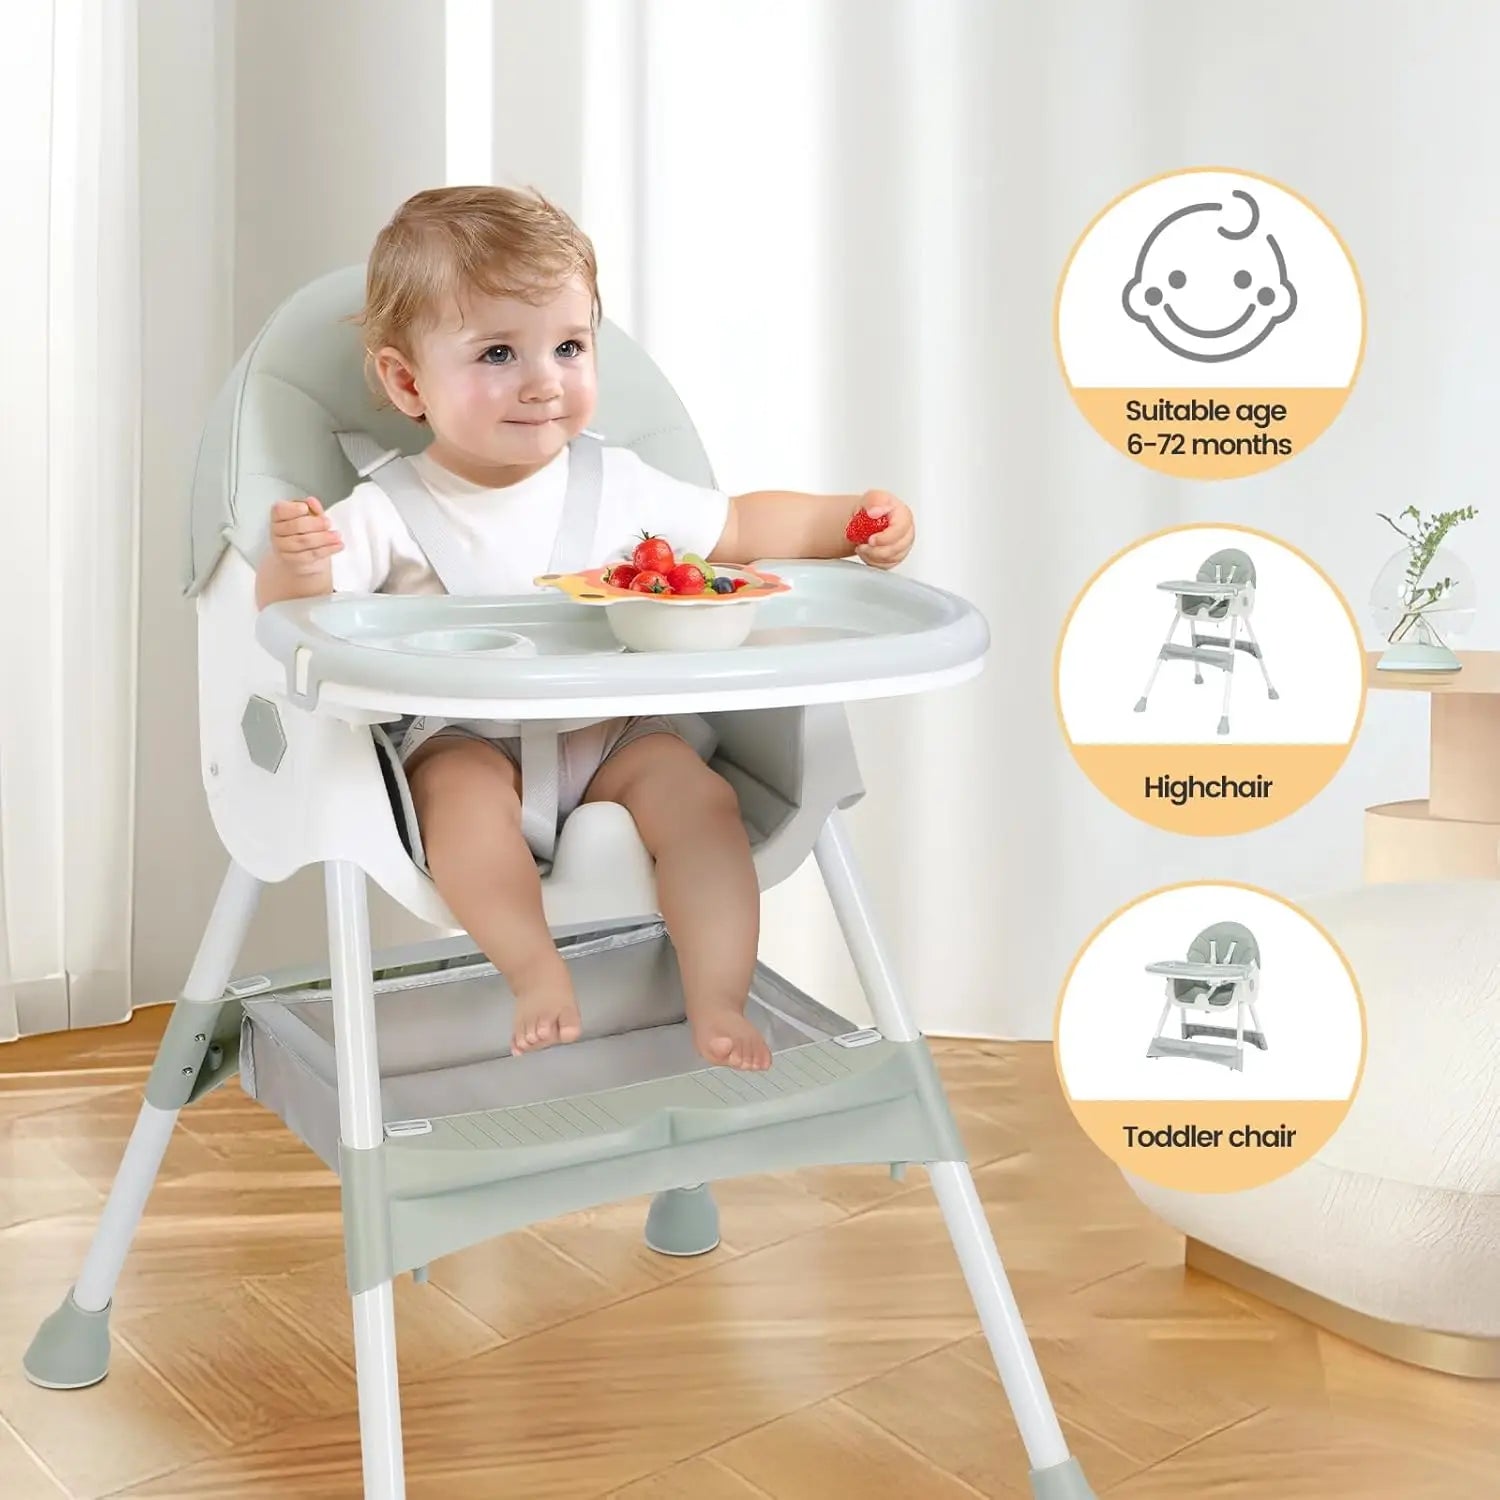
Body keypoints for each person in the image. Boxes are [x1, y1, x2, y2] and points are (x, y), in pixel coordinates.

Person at [255, 185, 914, 1070]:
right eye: (498, 352)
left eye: (569, 346)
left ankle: (717, 997)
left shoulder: (622, 485)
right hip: (466, 740)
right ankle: (533, 971)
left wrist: (851, 523)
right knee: (459, 807)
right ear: (407, 382)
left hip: (616, 738)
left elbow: (743, 528)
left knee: (703, 804)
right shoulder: (387, 509)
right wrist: (297, 561)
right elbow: (298, 615)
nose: (543, 381)